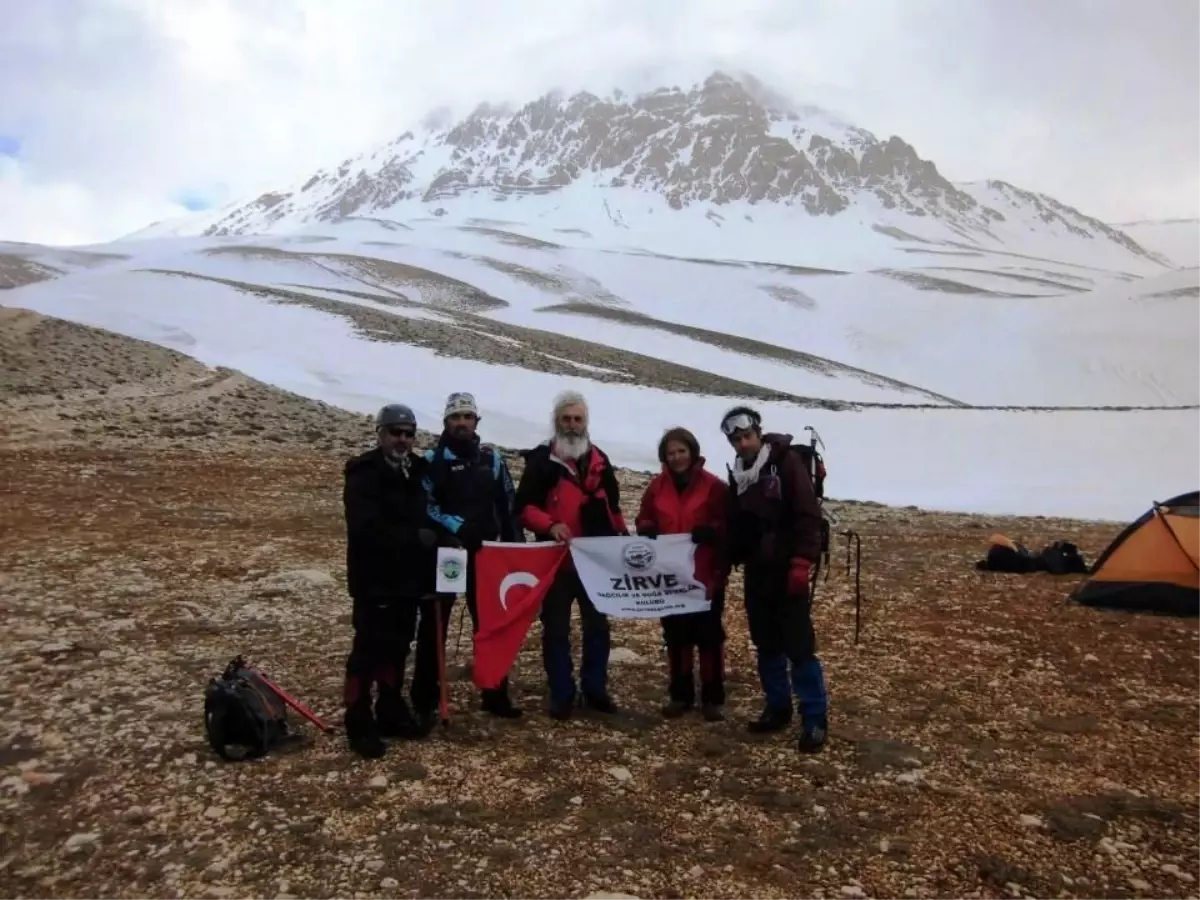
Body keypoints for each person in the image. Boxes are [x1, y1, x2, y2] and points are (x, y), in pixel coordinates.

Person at [721, 405, 829, 753]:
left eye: (746, 435)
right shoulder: (738, 474)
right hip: (757, 570)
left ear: (758, 432)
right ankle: (777, 707)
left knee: (798, 646)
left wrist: (802, 562)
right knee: (766, 643)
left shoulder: (786, 463)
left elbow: (808, 514)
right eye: (736, 439)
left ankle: (814, 718)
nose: (742, 442)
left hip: (787, 569)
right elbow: (739, 525)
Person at [515, 390, 627, 719]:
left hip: (595, 562)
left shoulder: (600, 461)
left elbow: (614, 507)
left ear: (586, 423)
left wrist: (622, 540)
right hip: (555, 562)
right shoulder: (541, 462)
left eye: (578, 419)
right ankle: (562, 692)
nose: (572, 425)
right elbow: (523, 508)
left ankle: (595, 688)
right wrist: (550, 525)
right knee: (556, 628)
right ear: (556, 422)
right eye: (566, 419)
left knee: (597, 627)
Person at [417, 391, 526, 722]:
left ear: (477, 421)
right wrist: (457, 527)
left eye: (467, 416)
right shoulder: (432, 459)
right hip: (448, 552)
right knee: (436, 624)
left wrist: (514, 544)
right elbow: (425, 504)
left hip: (487, 555)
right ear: (446, 421)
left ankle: (495, 692)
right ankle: (425, 697)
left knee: (491, 624)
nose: (462, 422)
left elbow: (508, 504)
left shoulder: (491, 460)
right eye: (455, 417)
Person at [341, 403, 439, 758]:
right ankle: (358, 719)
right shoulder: (363, 473)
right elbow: (365, 528)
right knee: (368, 649)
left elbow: (428, 513)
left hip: (407, 579)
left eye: (408, 434)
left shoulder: (417, 471)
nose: (402, 439)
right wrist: (416, 538)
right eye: (395, 432)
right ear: (380, 434)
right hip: (374, 578)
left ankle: (390, 709)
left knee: (400, 644)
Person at [635, 427, 730, 721]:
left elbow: (728, 522)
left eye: (681, 451)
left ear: (692, 452)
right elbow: (644, 516)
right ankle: (680, 694)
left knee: (709, 635)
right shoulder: (656, 487)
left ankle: (713, 697)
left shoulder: (713, 486)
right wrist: (647, 528)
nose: (676, 458)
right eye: (670, 453)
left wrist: (712, 532)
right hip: (669, 573)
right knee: (676, 634)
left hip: (705, 572)